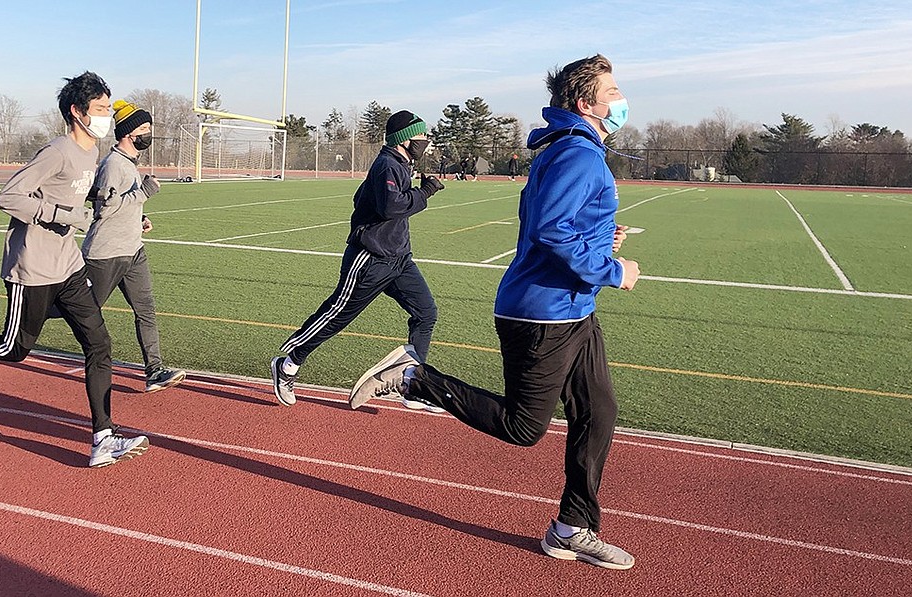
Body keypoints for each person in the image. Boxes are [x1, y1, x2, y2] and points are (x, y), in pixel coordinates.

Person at [348, 55, 640, 570]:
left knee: (598, 413)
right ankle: (414, 378)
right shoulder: (577, 154)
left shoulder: (572, 149)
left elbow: (550, 222)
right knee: (524, 427)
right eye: (612, 91)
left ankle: (571, 529)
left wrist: (600, 241)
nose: (620, 99)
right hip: (543, 313)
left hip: (573, 308)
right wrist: (614, 270)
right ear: (585, 102)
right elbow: (551, 232)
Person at [0, 71, 150, 468]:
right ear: (77, 113)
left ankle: (103, 437)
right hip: (34, 268)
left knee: (99, 344)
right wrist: (58, 215)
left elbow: (75, 190)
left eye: (109, 108)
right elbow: (8, 197)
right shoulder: (56, 151)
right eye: (101, 109)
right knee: (14, 349)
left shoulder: (92, 153)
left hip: (69, 266)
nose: (108, 116)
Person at [271, 110, 445, 410]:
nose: (425, 143)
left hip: (399, 259)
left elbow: (369, 201)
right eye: (420, 138)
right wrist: (425, 192)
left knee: (426, 313)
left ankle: (411, 384)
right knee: (336, 315)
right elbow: (392, 207)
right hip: (370, 259)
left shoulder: (401, 164)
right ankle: (288, 363)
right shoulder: (388, 165)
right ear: (404, 140)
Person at [81, 99, 188, 393]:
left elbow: (123, 206)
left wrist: (140, 217)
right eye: (144, 128)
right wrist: (144, 193)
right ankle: (23, 328)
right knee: (80, 310)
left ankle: (154, 371)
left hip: (133, 251)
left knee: (146, 310)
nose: (148, 133)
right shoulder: (114, 165)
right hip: (106, 255)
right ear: (128, 134)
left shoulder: (129, 163)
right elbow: (105, 209)